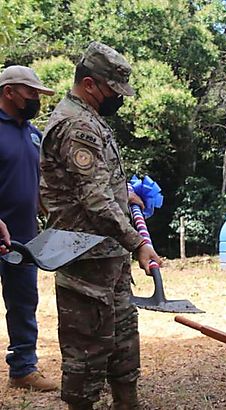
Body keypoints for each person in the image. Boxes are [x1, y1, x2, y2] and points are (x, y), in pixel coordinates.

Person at [39, 42, 162, 409]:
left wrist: (124, 191)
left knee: (124, 352)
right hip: (85, 264)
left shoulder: (90, 119)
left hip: (108, 261)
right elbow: (93, 200)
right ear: (90, 84)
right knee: (86, 362)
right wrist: (137, 242)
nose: (118, 99)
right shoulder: (76, 125)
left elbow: (94, 182)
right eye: (113, 91)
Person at [0, 65, 58, 392]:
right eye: (31, 92)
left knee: (24, 304)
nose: (36, 98)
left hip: (23, 239)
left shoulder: (33, 133)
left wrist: (49, 211)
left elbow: (38, 183)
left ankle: (23, 369)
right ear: (9, 92)